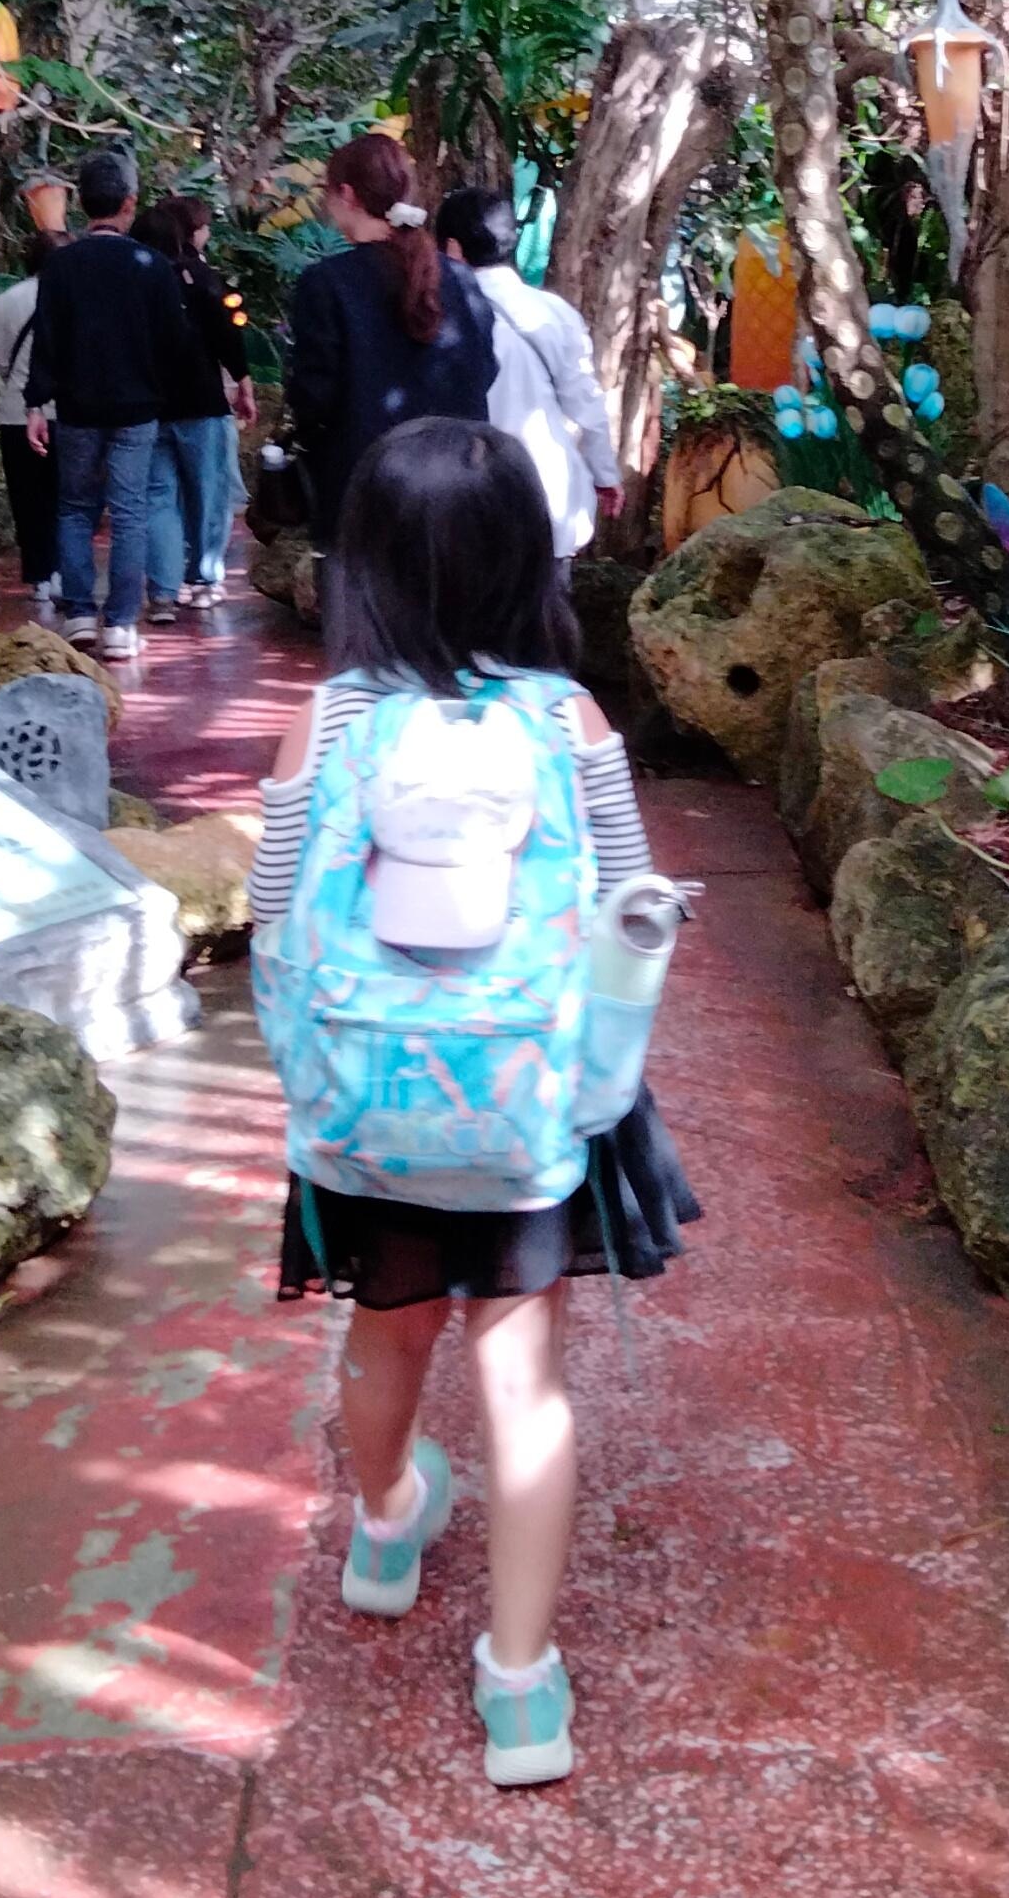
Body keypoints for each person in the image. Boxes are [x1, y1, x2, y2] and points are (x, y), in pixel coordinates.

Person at [249, 417, 698, 1789]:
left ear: (365, 566)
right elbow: (632, 906)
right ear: (526, 564)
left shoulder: (328, 723)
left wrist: (311, 1067)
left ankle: (388, 1522)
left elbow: (271, 918)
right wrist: (604, 1069)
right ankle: (519, 1690)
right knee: (525, 1383)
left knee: (385, 1338)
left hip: (363, 1110)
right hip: (522, 1115)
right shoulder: (570, 721)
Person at [285, 132, 497, 560]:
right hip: (456, 487)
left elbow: (312, 398)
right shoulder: (460, 279)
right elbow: (484, 371)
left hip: (361, 495)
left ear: (347, 194)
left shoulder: (326, 284)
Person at [26, 142, 184, 659]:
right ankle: (119, 624)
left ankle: (78, 615)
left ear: (80, 203)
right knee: (129, 512)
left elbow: (47, 339)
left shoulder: (62, 265)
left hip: (77, 407)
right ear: (129, 203)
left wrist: (35, 404)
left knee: (75, 508)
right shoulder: (152, 265)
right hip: (137, 408)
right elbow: (173, 342)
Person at [433, 186, 621, 574]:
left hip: (461, 507)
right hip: (548, 502)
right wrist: (605, 476)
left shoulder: (434, 318)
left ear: (452, 248)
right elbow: (587, 406)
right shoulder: (554, 313)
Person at [134, 193, 252, 612]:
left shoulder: (132, 284)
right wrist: (243, 380)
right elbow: (226, 332)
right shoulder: (198, 276)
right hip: (201, 401)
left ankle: (165, 589)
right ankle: (203, 577)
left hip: (150, 405)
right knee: (207, 493)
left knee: (159, 498)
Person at [0, 237, 57, 609]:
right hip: (64, 413)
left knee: (27, 498)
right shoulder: (70, 298)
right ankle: (62, 571)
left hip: (14, 415)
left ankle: (39, 577)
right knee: (64, 496)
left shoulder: (2, 302)